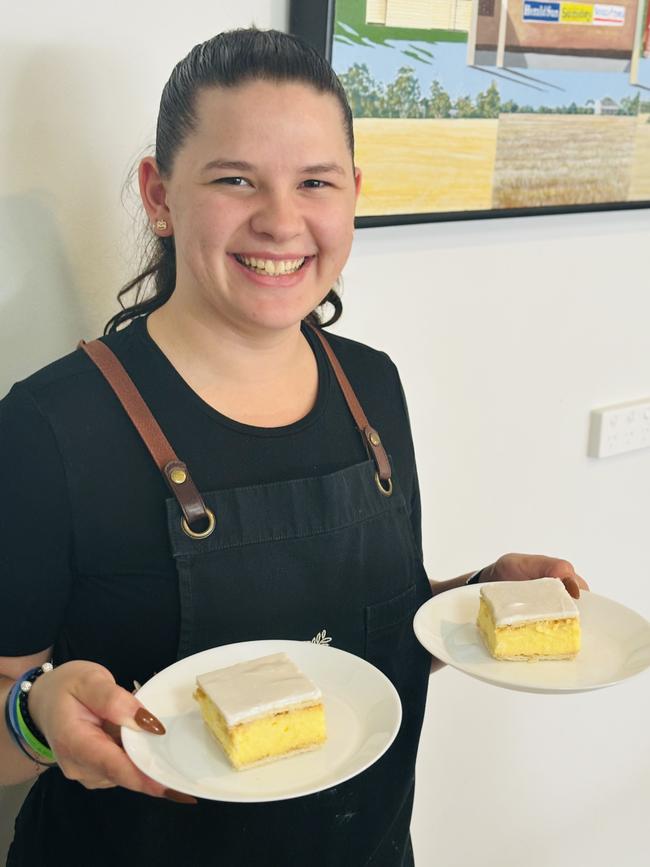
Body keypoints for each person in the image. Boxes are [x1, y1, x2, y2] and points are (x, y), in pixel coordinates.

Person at [0, 28, 588, 867]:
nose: (281, 220)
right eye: (236, 179)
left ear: (353, 194)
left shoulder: (372, 388)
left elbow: (357, 637)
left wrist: (478, 602)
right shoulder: (49, 427)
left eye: (315, 181)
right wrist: (35, 710)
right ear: (159, 195)